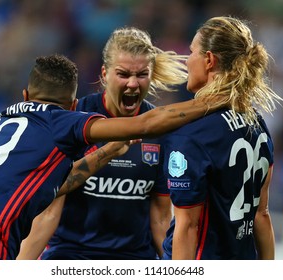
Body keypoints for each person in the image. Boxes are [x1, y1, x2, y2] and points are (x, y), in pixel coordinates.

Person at [0, 53, 218, 260]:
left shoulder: (5, 118)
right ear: (72, 105)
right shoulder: (61, 122)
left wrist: (106, 152)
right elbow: (146, 124)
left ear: (25, 94)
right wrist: (214, 100)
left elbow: (58, 183)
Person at [17, 26, 189, 260]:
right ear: (104, 73)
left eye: (141, 74)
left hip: (134, 260)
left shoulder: (161, 130)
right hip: (70, 256)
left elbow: (159, 217)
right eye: (123, 74)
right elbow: (48, 213)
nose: (132, 84)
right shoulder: (76, 118)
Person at [161, 16, 283, 260]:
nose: (187, 61)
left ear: (209, 60)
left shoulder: (192, 133)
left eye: (192, 52)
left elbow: (188, 227)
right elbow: (262, 214)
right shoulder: (257, 123)